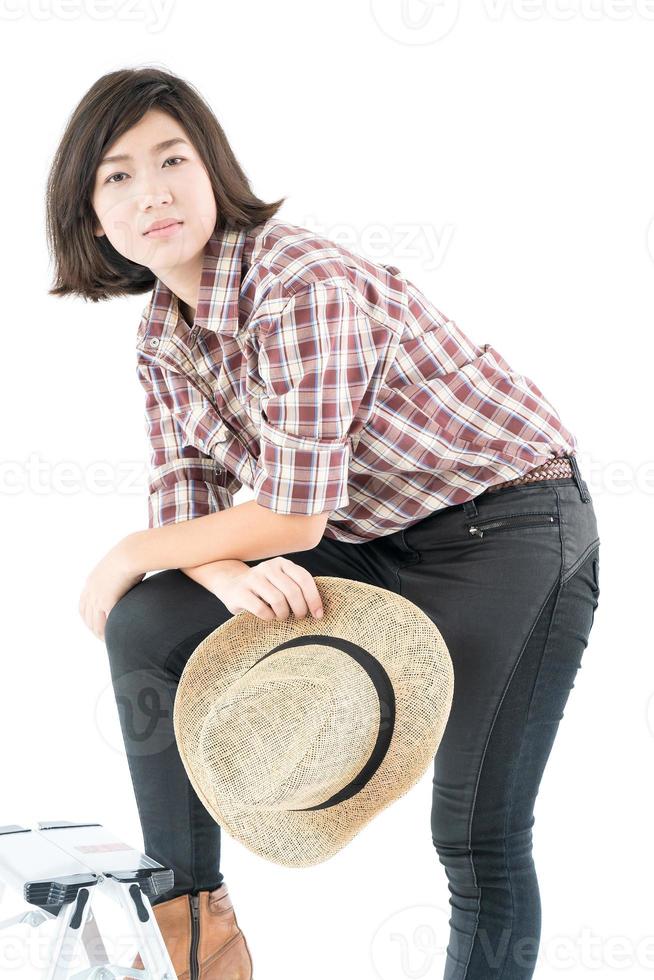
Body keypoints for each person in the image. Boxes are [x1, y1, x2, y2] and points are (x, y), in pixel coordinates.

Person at [45, 65, 601, 980]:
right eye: (117, 176)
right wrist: (224, 574)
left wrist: (130, 553)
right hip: (373, 526)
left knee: (474, 830)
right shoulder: (159, 335)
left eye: (172, 158)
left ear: (213, 169)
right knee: (151, 619)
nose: (152, 192)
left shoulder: (297, 283)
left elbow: (293, 516)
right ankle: (194, 943)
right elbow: (189, 493)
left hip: (508, 521)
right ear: (92, 218)